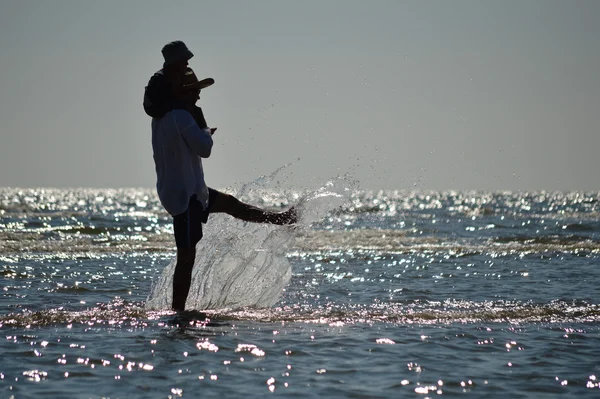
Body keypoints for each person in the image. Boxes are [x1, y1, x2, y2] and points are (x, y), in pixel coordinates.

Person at [146, 42, 297, 311]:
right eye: (196, 92)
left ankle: (280, 219)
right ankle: (178, 313)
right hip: (187, 198)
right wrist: (204, 129)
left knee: (231, 205)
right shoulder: (182, 116)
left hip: (185, 192)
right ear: (183, 91)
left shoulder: (161, 120)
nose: (199, 98)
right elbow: (204, 150)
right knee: (186, 257)